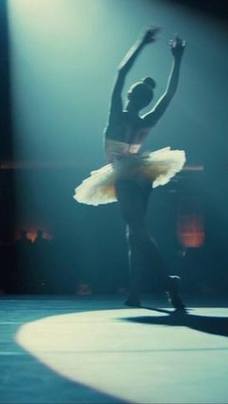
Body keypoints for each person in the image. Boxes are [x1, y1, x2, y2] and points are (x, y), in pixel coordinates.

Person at [73, 26, 187, 310]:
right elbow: (170, 93)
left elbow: (121, 73)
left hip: (125, 174)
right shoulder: (147, 119)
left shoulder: (116, 114)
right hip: (142, 174)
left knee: (136, 230)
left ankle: (168, 281)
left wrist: (140, 43)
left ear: (130, 96)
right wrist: (177, 58)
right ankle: (135, 292)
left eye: (133, 90)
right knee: (133, 232)